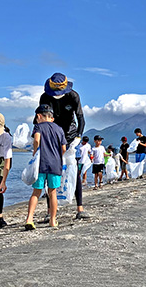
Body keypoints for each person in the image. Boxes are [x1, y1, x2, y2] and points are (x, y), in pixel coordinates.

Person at [39, 72, 89, 219]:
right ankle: (50, 212)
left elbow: (80, 118)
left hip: (70, 136)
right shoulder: (45, 97)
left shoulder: (73, 96)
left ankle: (80, 209)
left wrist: (78, 136)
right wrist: (36, 137)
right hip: (52, 137)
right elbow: (40, 119)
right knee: (51, 172)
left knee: (75, 172)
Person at [25, 104, 66, 230]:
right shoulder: (59, 129)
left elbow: (36, 140)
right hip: (55, 164)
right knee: (52, 192)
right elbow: (64, 148)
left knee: (36, 191)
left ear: (39, 116)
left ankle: (29, 219)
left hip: (41, 164)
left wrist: (35, 151)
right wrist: (57, 156)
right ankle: (53, 220)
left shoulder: (38, 126)